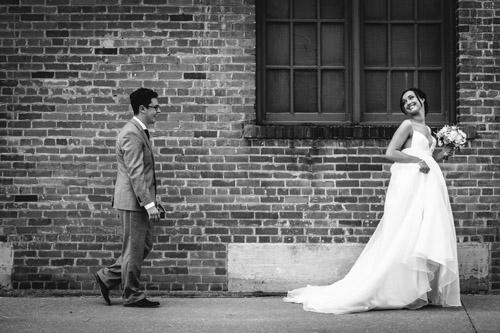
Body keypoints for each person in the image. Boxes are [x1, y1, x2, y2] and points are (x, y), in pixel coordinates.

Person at [284, 88, 461, 314]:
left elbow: (428, 157)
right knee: (402, 234)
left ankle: (412, 289)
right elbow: (390, 152)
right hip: (409, 188)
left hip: (425, 188)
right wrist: (418, 159)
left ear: (422, 100)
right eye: (404, 101)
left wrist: (445, 151)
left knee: (419, 234)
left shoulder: (428, 131)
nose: (408, 103)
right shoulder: (407, 126)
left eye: (411, 98)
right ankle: (391, 288)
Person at [95, 87, 162, 308]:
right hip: (133, 202)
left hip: (138, 200)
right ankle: (131, 295)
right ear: (142, 108)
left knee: (143, 245)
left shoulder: (139, 131)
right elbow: (136, 172)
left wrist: (152, 200)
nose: (158, 111)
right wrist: (149, 203)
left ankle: (107, 277)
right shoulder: (132, 133)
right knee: (134, 249)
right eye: (155, 107)